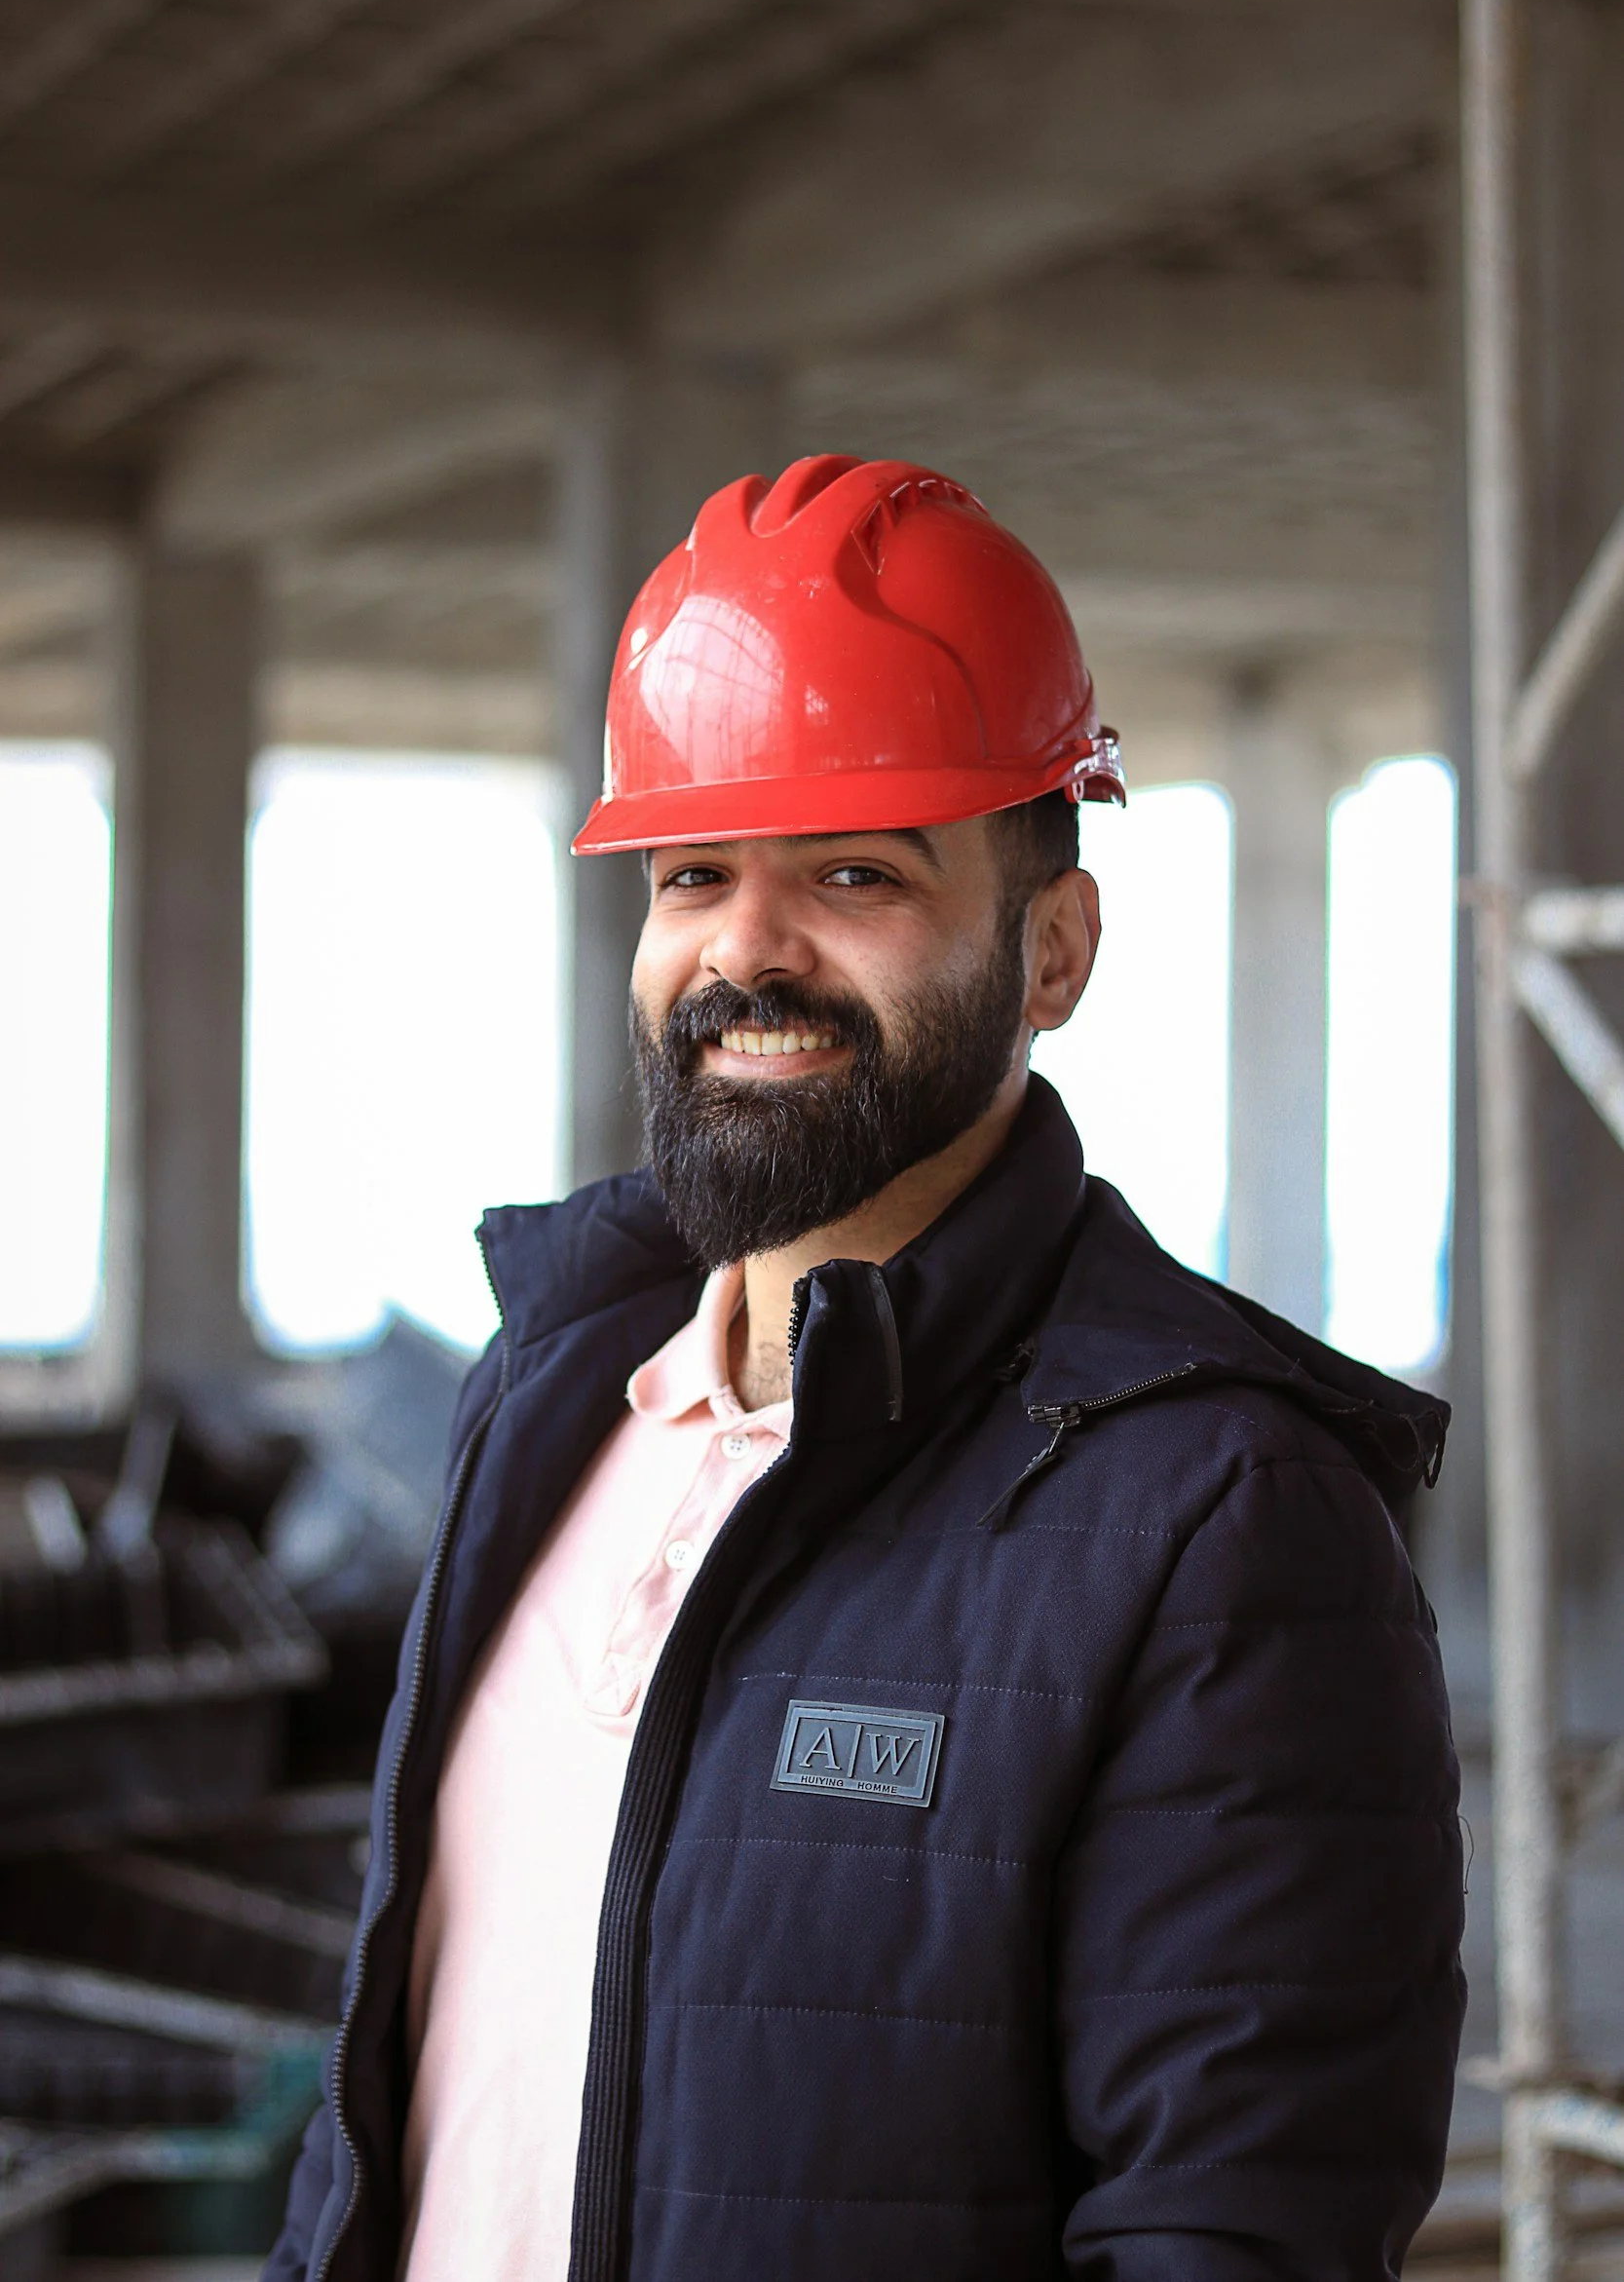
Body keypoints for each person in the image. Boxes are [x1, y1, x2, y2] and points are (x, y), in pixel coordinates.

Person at [267, 456, 1465, 2282]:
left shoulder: (1215, 1512)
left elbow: (1227, 2233)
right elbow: (396, 2114)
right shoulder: (548, 1397)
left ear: (1050, 950)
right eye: (691, 874)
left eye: (853, 873)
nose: (746, 947)